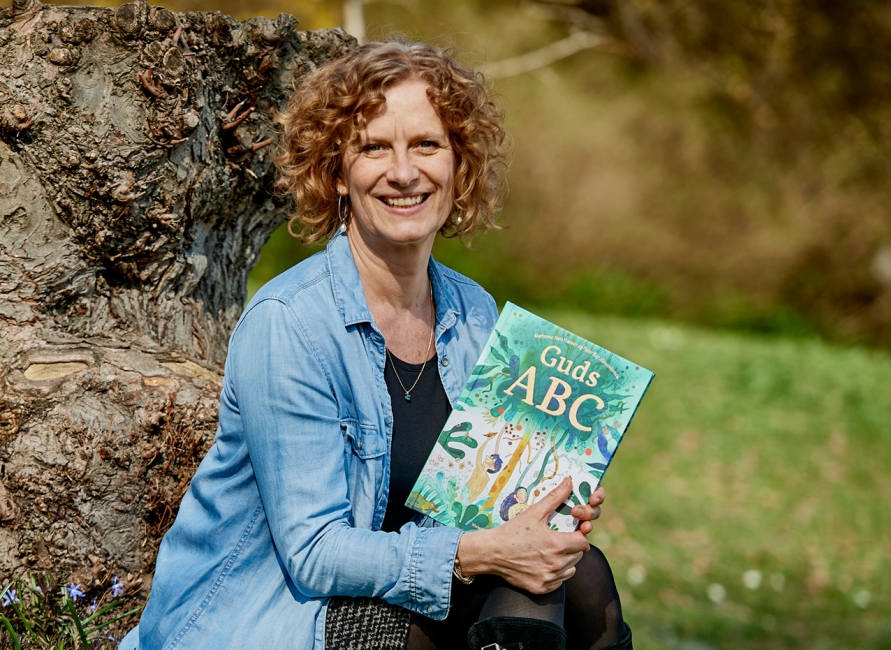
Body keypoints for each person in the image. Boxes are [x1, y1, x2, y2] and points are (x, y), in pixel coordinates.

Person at [120, 40, 632, 650]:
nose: (404, 172)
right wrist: (481, 552)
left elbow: (473, 507)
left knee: (574, 573)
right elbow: (314, 554)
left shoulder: (472, 310)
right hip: (278, 618)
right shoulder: (289, 323)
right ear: (337, 172)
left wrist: (541, 506)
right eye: (374, 147)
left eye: (426, 144)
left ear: (459, 164)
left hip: (407, 590)